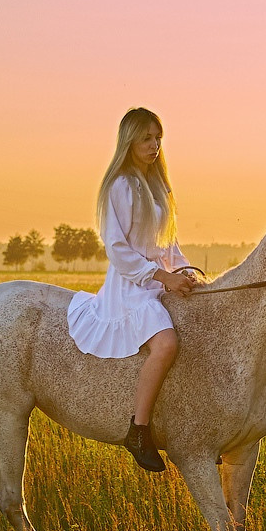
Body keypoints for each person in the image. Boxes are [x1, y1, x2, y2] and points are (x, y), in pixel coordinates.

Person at [66, 107, 196, 472]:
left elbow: (167, 244)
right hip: (132, 286)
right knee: (167, 343)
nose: (155, 145)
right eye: (146, 138)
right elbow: (117, 249)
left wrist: (184, 270)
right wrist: (161, 277)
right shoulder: (121, 186)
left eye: (158, 138)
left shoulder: (158, 186)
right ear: (129, 141)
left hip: (158, 279)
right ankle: (138, 431)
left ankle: (197, 426)